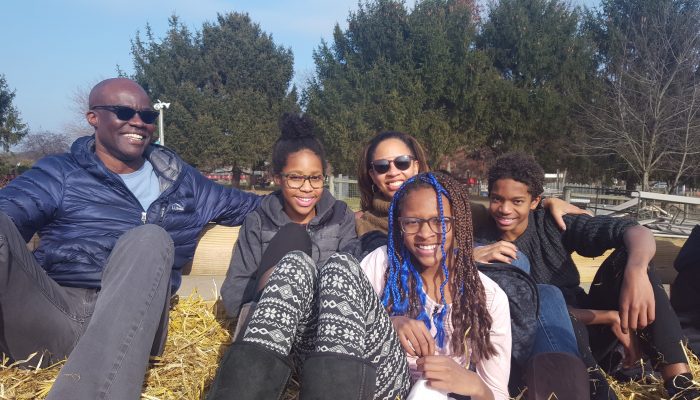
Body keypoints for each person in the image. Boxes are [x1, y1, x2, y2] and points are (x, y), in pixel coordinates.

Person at [0, 78, 261, 399]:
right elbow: (9, 216)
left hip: (136, 323)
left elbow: (255, 208)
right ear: (93, 118)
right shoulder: (59, 173)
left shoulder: (184, 182)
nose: (138, 122)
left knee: (150, 239)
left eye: (147, 116)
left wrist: (313, 202)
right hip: (56, 313)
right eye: (124, 112)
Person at [479, 152, 700, 399]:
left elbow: (634, 230)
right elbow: (525, 312)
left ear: (534, 202)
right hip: (547, 338)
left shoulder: (552, 223)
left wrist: (636, 271)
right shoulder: (484, 242)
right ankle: (600, 393)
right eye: (497, 199)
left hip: (595, 330)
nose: (505, 209)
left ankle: (681, 383)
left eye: (517, 201)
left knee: (629, 260)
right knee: (558, 311)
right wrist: (608, 317)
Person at [361, 172, 512, 400]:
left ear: (458, 223)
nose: (425, 233)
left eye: (440, 221)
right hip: (379, 389)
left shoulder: (490, 297)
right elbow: (344, 333)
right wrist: (387, 324)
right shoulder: (381, 265)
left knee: (427, 392)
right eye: (412, 222)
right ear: (399, 224)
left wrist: (475, 386)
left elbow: (497, 395)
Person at [220, 113, 357, 318]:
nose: (307, 188)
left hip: (324, 323)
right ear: (278, 178)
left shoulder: (340, 216)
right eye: (295, 178)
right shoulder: (258, 222)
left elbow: (352, 277)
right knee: (293, 235)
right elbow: (234, 293)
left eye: (315, 178)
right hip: (271, 321)